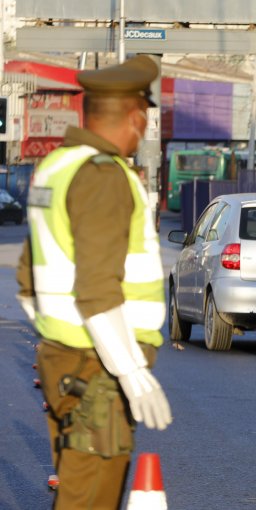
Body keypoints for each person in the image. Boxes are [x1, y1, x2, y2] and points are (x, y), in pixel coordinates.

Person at [15, 55, 172, 509]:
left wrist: (58, 339)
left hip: (64, 361)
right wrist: (131, 372)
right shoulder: (104, 176)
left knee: (76, 487)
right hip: (97, 369)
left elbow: (29, 279)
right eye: (145, 119)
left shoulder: (55, 167)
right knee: (90, 500)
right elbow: (97, 291)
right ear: (135, 117)